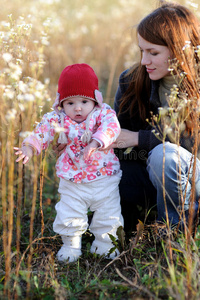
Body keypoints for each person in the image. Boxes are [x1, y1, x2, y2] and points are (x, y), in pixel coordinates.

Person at [14, 63, 124, 262]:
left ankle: (106, 244)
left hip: (104, 177)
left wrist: (96, 141)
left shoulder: (103, 114)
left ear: (95, 100)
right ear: (61, 103)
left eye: (84, 101)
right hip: (72, 179)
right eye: (70, 103)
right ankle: (71, 244)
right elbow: (42, 131)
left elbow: (112, 127)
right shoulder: (58, 118)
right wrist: (29, 147)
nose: (78, 108)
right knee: (69, 212)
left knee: (109, 213)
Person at [111, 1, 200, 234]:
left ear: (181, 49)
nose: (144, 61)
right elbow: (117, 142)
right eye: (142, 51)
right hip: (154, 178)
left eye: (153, 53)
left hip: (193, 177)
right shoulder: (130, 81)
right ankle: (118, 227)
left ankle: (177, 231)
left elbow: (191, 148)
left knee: (165, 157)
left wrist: (140, 139)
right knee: (107, 169)